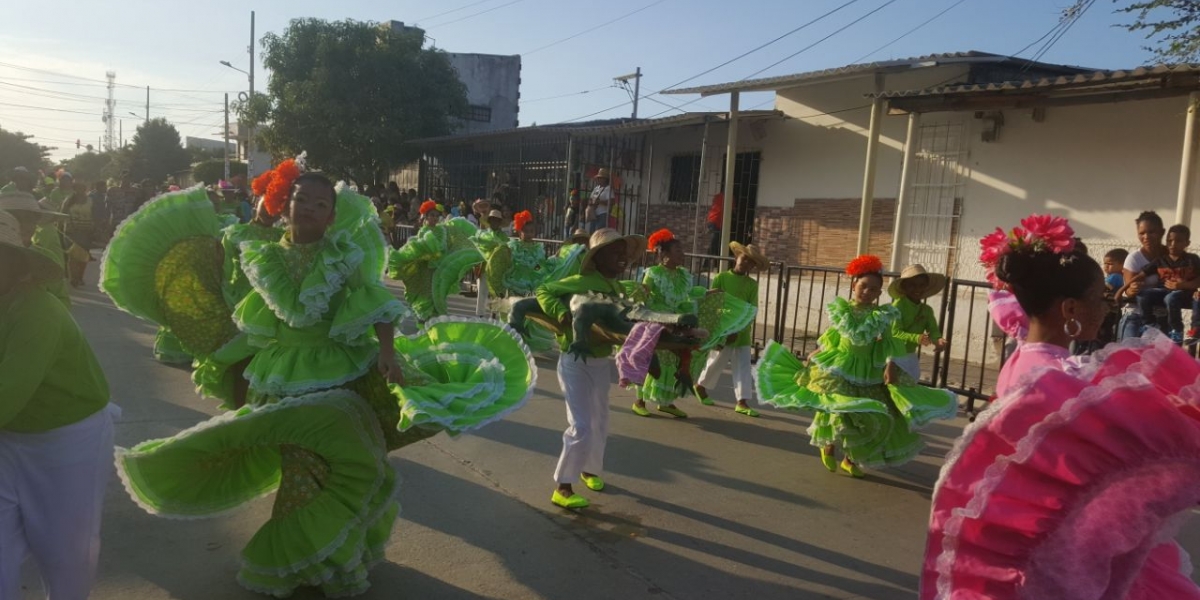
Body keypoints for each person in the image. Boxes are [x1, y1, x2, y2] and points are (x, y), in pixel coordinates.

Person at [109, 160, 535, 597]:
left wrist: (388, 353)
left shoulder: (342, 255)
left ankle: (327, 557)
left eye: (320, 203)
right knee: (300, 465)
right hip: (280, 372)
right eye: (301, 200)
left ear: (331, 215)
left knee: (338, 465)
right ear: (285, 206)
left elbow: (373, 303)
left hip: (337, 371)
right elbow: (250, 315)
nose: (309, 208)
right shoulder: (263, 254)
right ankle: (311, 560)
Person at [919, 215, 1200, 600]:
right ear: (1070, 309)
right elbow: (1120, 451)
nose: (1105, 308)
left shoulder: (1027, 362)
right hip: (1068, 553)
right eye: (1097, 298)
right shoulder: (1055, 379)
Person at [0, 209, 118, 600]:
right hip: (8, 437)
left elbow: (6, 397)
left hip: (67, 439)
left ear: (18, 267)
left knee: (67, 553)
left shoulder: (37, 312)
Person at [756, 254, 956, 477]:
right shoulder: (842, 310)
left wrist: (890, 365)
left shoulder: (882, 315)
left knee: (867, 413)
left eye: (873, 290)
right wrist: (817, 351)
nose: (868, 292)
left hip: (868, 370)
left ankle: (850, 459)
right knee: (836, 406)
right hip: (840, 366)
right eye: (864, 287)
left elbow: (892, 343)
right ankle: (828, 445)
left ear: (880, 293)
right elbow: (833, 334)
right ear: (854, 286)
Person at [537, 228, 644, 509]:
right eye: (615, 252)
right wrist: (560, 314)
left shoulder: (619, 290)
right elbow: (544, 290)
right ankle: (563, 486)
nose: (622, 258)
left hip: (600, 361)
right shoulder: (581, 282)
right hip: (575, 360)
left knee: (601, 421)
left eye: (624, 253)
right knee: (581, 424)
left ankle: (590, 470)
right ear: (597, 258)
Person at [632, 229, 756, 419]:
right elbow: (645, 293)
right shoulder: (653, 273)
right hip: (657, 321)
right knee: (652, 361)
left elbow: (689, 295)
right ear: (664, 254)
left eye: (682, 250)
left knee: (674, 361)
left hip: (677, 321)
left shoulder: (683, 275)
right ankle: (639, 401)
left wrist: (708, 294)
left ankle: (666, 402)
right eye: (678, 250)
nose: (682, 253)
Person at [694, 242, 768, 417]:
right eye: (744, 259)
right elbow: (714, 303)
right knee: (716, 361)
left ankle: (742, 401)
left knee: (743, 365)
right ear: (737, 257)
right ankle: (700, 386)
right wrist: (721, 329)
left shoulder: (752, 285)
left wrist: (740, 328)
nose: (746, 264)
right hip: (722, 329)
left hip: (741, 331)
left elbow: (751, 309)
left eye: (751, 263)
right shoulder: (721, 278)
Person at [1119, 224, 1200, 344]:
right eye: (1169, 241)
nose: (1172, 244)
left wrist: (1184, 285)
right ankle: (1150, 324)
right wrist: (1122, 289)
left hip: (1183, 293)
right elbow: (1141, 275)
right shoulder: (1161, 260)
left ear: (1187, 243)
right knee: (1143, 294)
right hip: (1164, 291)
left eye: (1178, 241)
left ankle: (1177, 331)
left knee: (1171, 298)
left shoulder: (1192, 259)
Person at [887, 264, 949, 380]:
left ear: (926, 287)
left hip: (910, 355)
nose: (917, 289)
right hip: (893, 356)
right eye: (912, 285)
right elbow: (894, 332)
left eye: (921, 285)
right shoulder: (898, 306)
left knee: (911, 386)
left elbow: (933, 330)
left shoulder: (927, 310)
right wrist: (917, 338)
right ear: (904, 287)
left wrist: (938, 340)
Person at [1118, 210, 1167, 338]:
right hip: (1135, 317)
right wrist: (1132, 290)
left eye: (1151, 232)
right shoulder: (1134, 258)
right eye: (1142, 233)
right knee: (1130, 358)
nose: (1146, 237)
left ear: (1162, 232)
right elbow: (1127, 291)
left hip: (1162, 319)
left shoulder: (1170, 256)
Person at [61, 181, 101, 288]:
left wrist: (97, 228)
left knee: (83, 256)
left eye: (82, 188)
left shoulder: (90, 201)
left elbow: (95, 215)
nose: (80, 190)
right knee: (72, 255)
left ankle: (79, 277)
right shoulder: (68, 201)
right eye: (78, 188)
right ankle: (74, 278)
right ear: (75, 189)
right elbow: (63, 214)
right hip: (70, 232)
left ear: (85, 189)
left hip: (86, 232)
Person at [586, 168, 614, 232]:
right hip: (594, 213)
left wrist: (599, 202)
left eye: (601, 178)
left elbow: (612, 202)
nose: (599, 179)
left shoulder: (608, 189)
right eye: (598, 178)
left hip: (603, 213)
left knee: (599, 232)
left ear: (605, 179)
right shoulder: (596, 188)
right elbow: (590, 198)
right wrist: (590, 202)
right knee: (592, 232)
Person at [706, 191, 726, 257]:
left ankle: (710, 262)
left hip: (711, 220)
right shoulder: (730, 198)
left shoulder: (716, 196)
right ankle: (707, 263)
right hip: (716, 222)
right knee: (714, 243)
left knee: (715, 242)